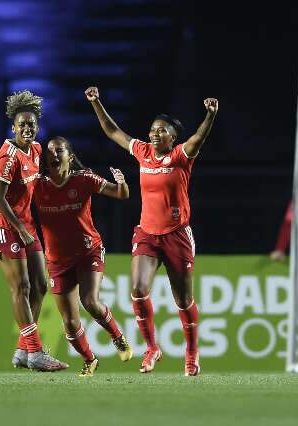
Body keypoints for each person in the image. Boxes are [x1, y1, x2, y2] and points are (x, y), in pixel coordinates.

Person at [85, 86, 218, 376]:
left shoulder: (182, 156)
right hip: (147, 233)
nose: (154, 134)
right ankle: (152, 348)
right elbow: (113, 131)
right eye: (152, 130)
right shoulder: (142, 152)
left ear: (173, 137)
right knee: (138, 290)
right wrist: (96, 102)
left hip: (177, 235)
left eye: (161, 131)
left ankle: (192, 354)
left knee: (183, 300)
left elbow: (199, 138)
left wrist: (210, 115)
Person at [0, 90, 68, 371]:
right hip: (1, 225)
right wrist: (19, 227)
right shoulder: (7, 157)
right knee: (22, 286)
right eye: (22, 125)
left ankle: (22, 351)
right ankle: (36, 351)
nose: (27, 128)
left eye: (31, 124)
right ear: (13, 127)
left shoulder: (37, 150)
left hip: (25, 225)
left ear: (37, 126)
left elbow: (34, 186)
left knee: (41, 285)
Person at [34, 136, 133, 376]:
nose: (54, 155)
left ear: (70, 155)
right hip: (57, 260)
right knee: (69, 322)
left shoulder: (84, 179)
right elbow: (10, 193)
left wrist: (121, 183)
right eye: (49, 152)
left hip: (88, 251)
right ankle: (89, 359)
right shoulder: (37, 186)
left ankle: (118, 338)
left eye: (59, 151)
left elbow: (121, 194)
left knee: (90, 301)